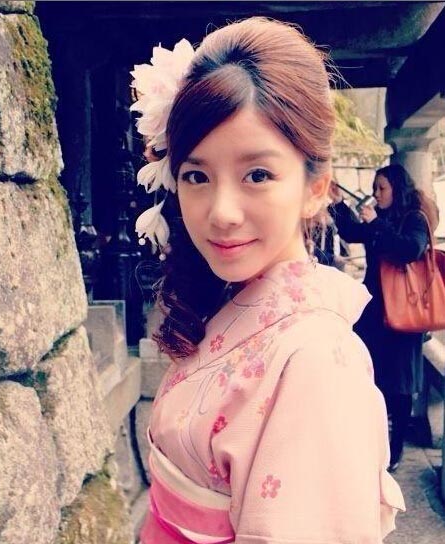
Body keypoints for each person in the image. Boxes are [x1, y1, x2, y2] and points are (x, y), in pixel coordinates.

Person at [131, 17, 405, 544]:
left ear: (315, 188)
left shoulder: (317, 360)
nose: (222, 212)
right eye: (196, 176)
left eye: (257, 175)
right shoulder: (235, 302)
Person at [330, 164, 439, 473]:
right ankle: (372, 441)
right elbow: (351, 233)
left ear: (397, 189)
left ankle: (395, 448)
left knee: (400, 385)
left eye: (382, 188)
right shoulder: (380, 216)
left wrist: (377, 223)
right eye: (374, 188)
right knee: (369, 376)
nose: (376, 194)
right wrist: (338, 204)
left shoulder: (414, 218)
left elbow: (410, 249)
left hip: (404, 313)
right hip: (375, 312)